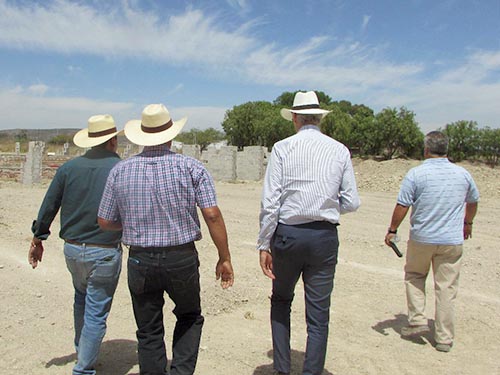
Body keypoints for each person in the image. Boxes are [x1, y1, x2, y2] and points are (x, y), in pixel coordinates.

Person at [97, 103, 234, 375]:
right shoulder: (192, 167)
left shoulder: (120, 171)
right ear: (170, 134)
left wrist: (133, 225)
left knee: (148, 329)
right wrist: (224, 256)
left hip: (140, 258)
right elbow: (212, 215)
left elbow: (104, 220)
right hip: (181, 257)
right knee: (189, 316)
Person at [257, 91, 360, 375]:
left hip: (288, 236)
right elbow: (351, 201)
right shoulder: (339, 149)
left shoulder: (282, 148)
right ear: (319, 118)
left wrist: (264, 243)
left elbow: (271, 203)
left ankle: (281, 368)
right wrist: (325, 203)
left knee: (281, 300)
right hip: (324, 238)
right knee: (318, 313)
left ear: (295, 118)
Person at [29, 114, 123, 375]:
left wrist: (38, 238)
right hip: (104, 251)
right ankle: (83, 368)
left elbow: (49, 205)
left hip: (72, 249)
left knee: (81, 300)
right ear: (113, 140)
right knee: (96, 310)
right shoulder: (121, 168)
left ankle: (82, 350)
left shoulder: (68, 169)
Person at [384, 130, 479, 353]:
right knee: (446, 288)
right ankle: (444, 338)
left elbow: (403, 205)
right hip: (451, 240)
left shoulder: (416, 174)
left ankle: (417, 319)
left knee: (415, 276)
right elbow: (473, 200)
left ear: (426, 149)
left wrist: (392, 229)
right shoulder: (463, 174)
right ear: (446, 149)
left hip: (422, 238)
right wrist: (468, 223)